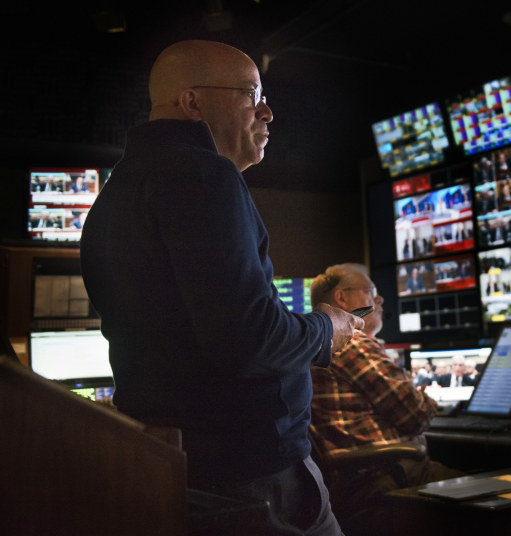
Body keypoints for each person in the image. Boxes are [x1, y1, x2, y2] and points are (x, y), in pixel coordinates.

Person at [79, 40, 363, 535]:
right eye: (251, 95)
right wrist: (327, 329)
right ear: (191, 103)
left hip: (185, 466)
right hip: (252, 479)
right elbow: (248, 337)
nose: (268, 112)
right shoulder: (204, 174)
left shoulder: (115, 194)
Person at [309, 264, 463, 534]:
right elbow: (416, 414)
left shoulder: (318, 343)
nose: (378, 300)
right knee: (500, 493)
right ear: (342, 299)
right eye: (371, 292)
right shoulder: (352, 342)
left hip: (353, 484)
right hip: (385, 477)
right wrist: (426, 400)